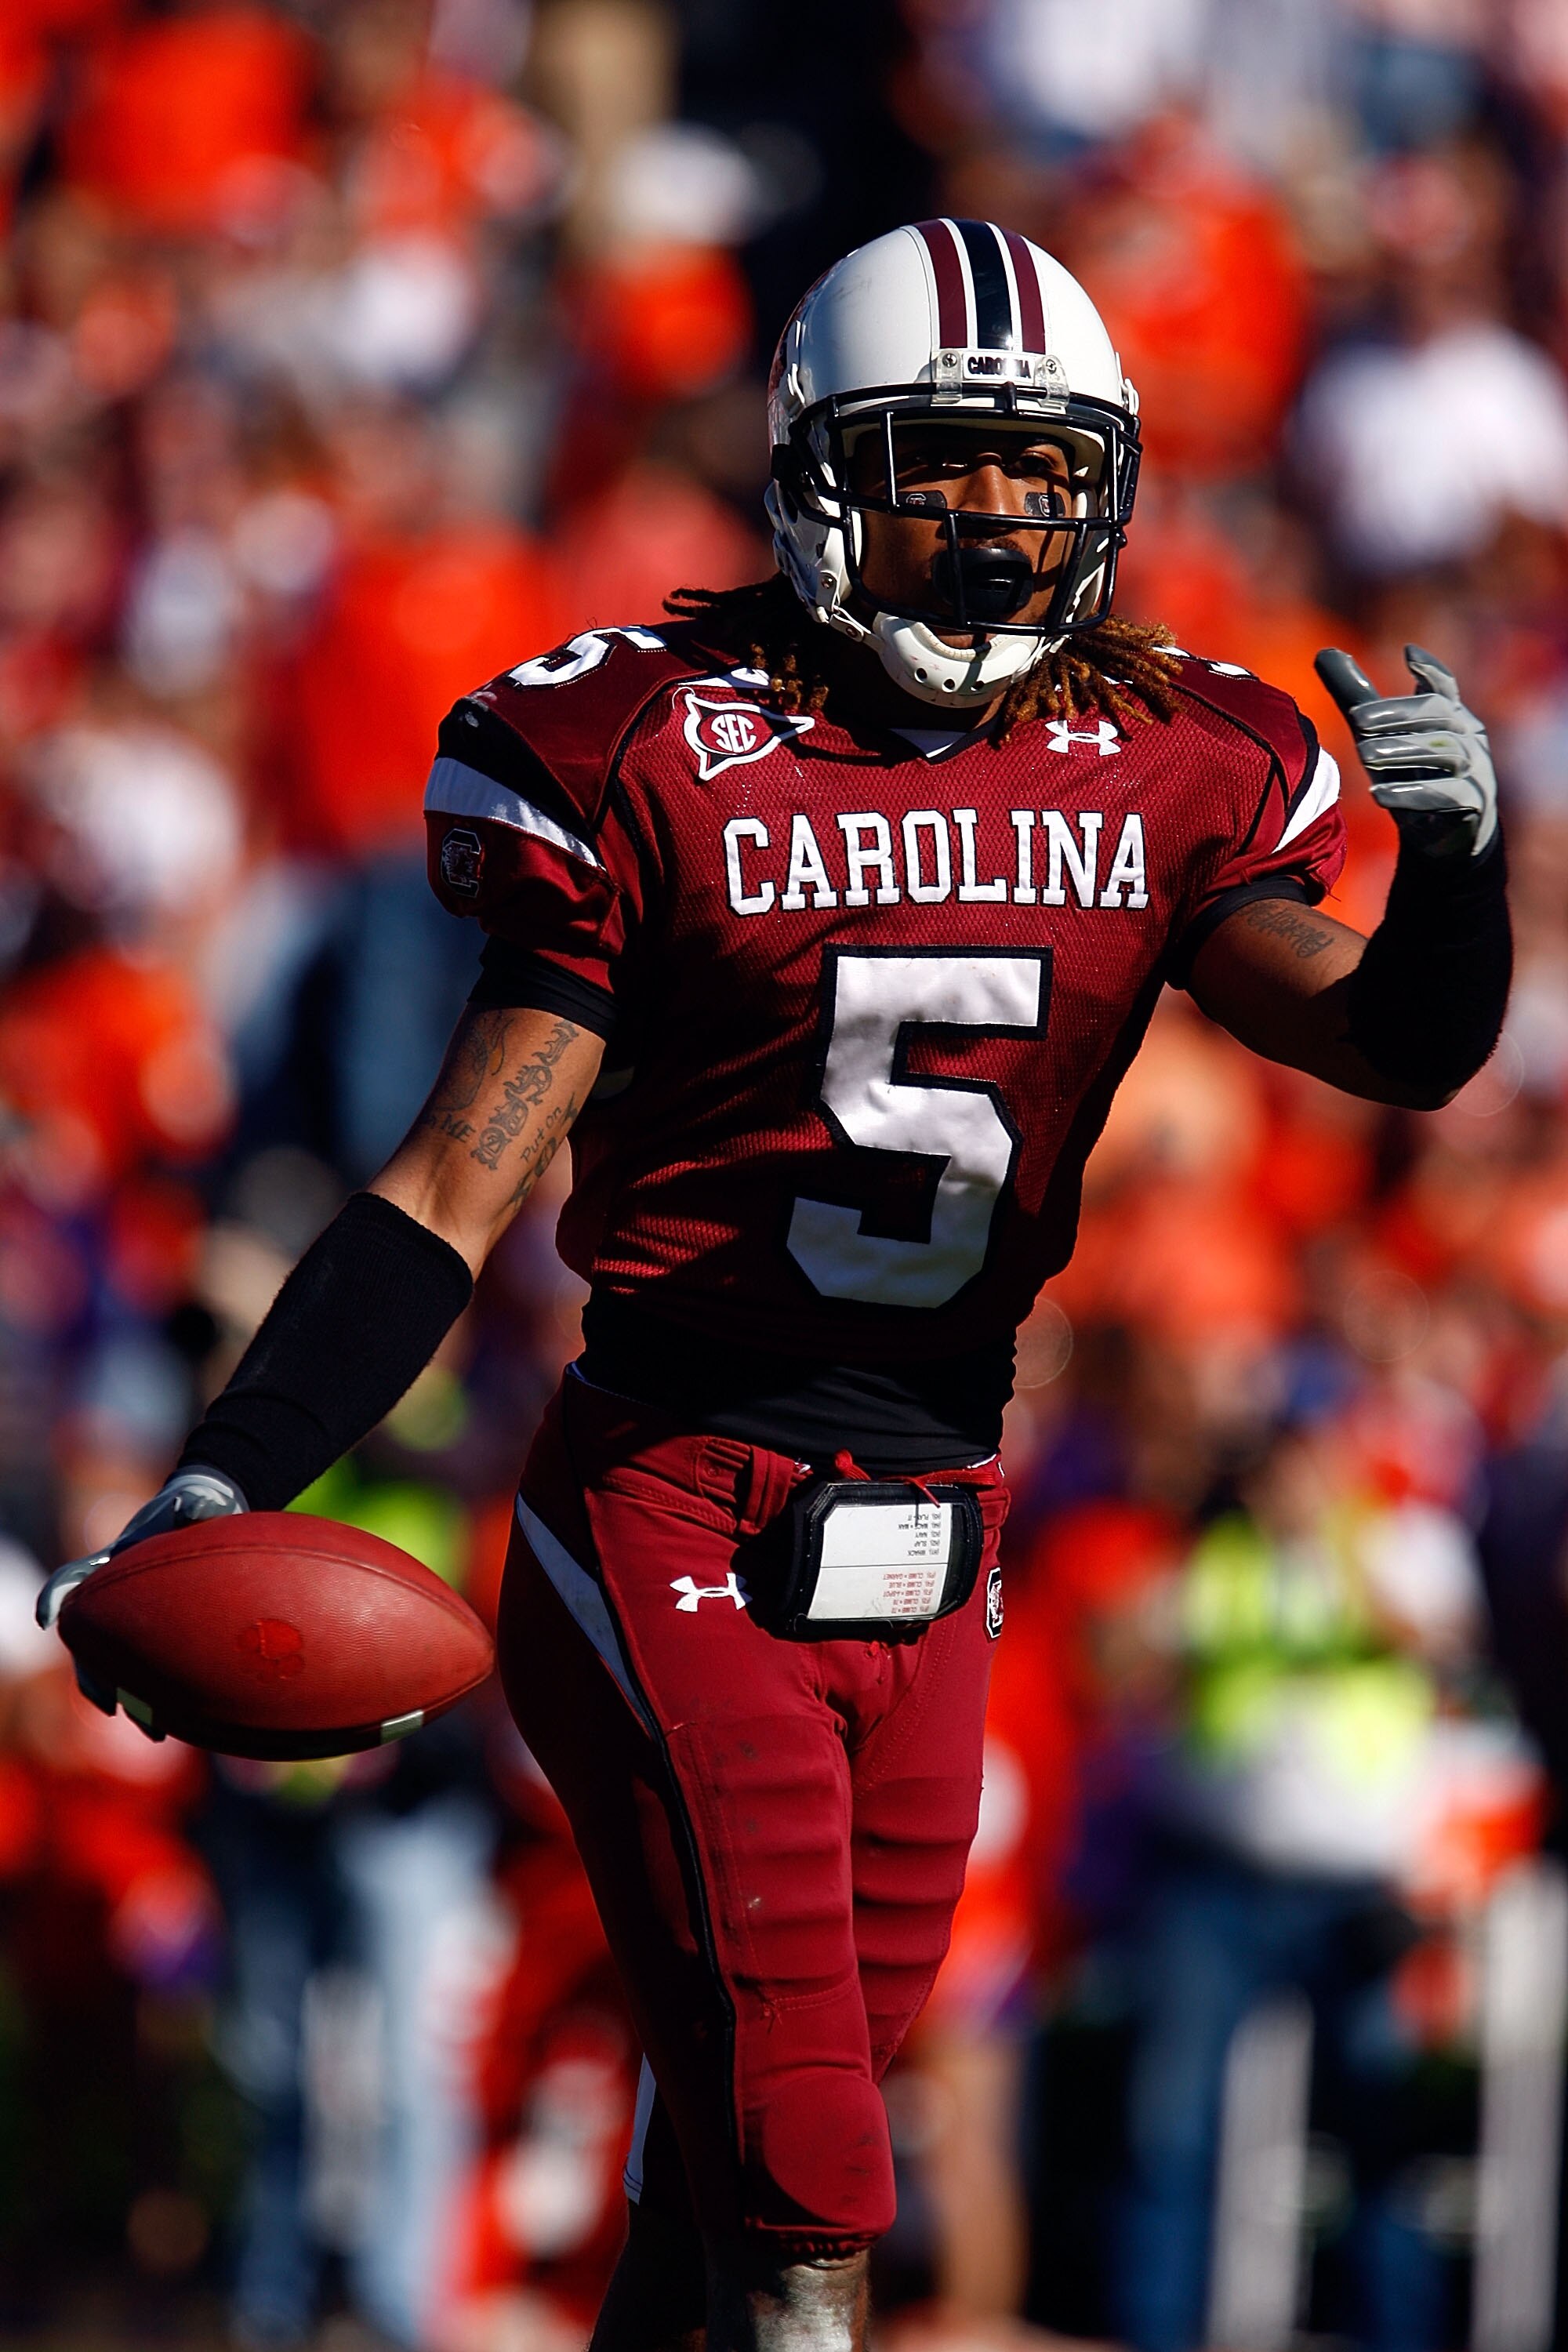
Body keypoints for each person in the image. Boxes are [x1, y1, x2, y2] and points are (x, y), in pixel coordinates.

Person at [38, 220, 1511, 2352]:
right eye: (947, 462)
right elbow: (457, 1178)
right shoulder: (656, 754)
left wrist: (1460, 879)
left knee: (746, 2141)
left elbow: (1404, 1047)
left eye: (1042, 470)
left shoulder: (1170, 757)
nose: (1000, 519)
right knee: (810, 2150)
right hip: (672, 1496)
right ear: (826, 474)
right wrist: (229, 1469)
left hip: (946, 1528)